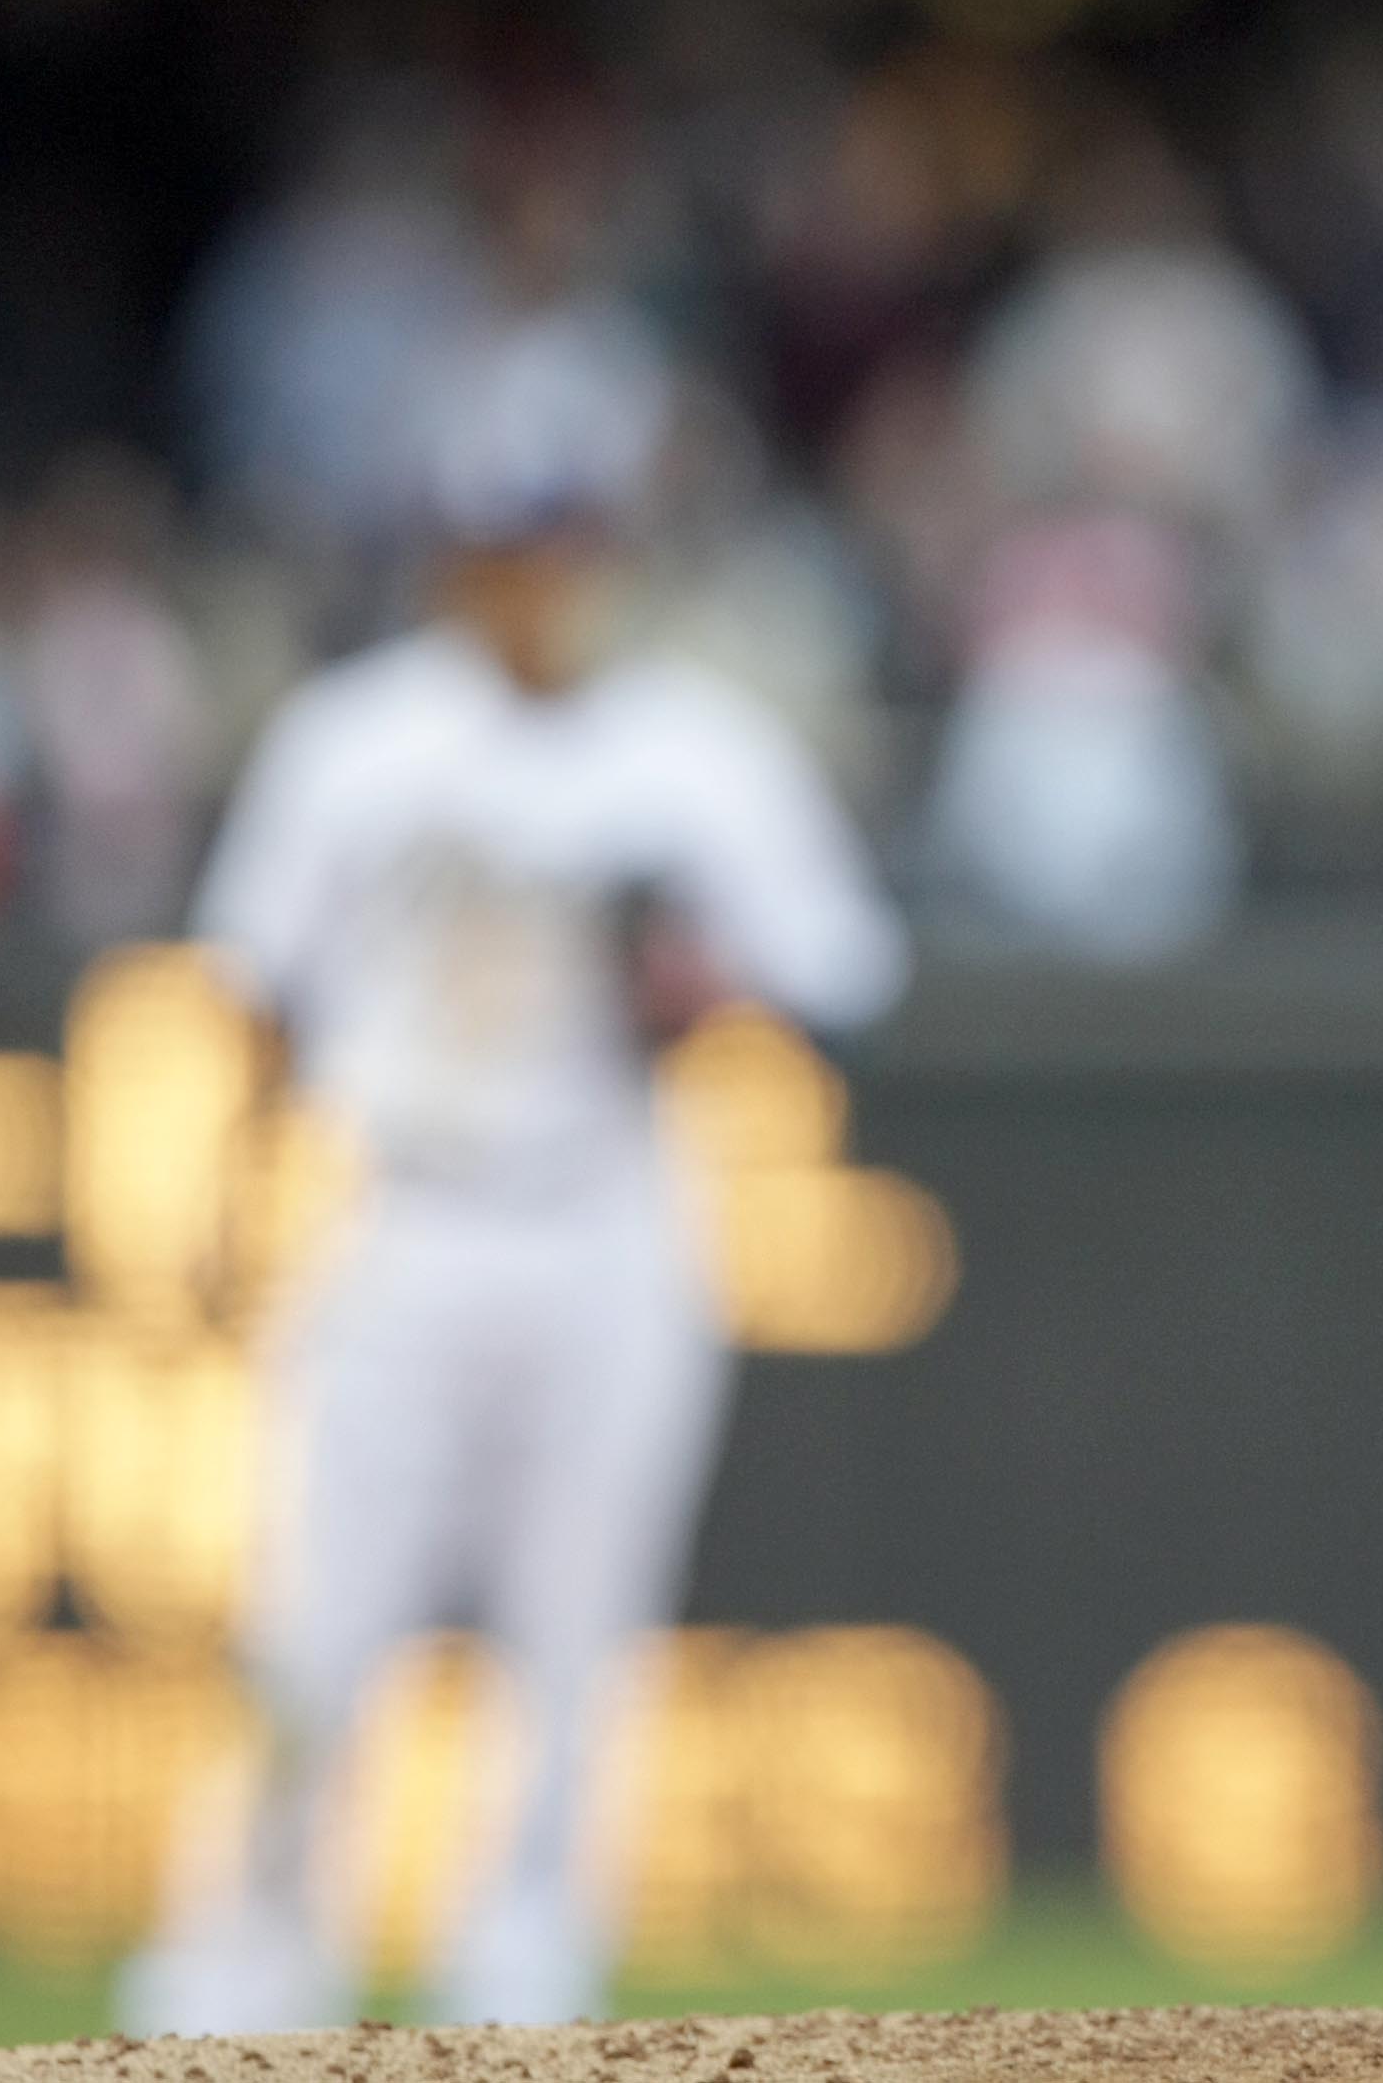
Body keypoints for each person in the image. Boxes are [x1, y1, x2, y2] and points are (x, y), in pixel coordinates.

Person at [119, 352, 909, 2035]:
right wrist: (214, 1195)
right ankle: (240, 1974)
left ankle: (527, 1980)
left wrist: (718, 971)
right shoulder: (358, 739)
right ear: (449, 556)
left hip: (609, 1207)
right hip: (403, 1210)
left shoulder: (688, 749)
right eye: (510, 541)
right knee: (319, 1628)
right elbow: (252, 986)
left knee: (578, 1634)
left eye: (567, 538)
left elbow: (844, 959)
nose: (544, 573)